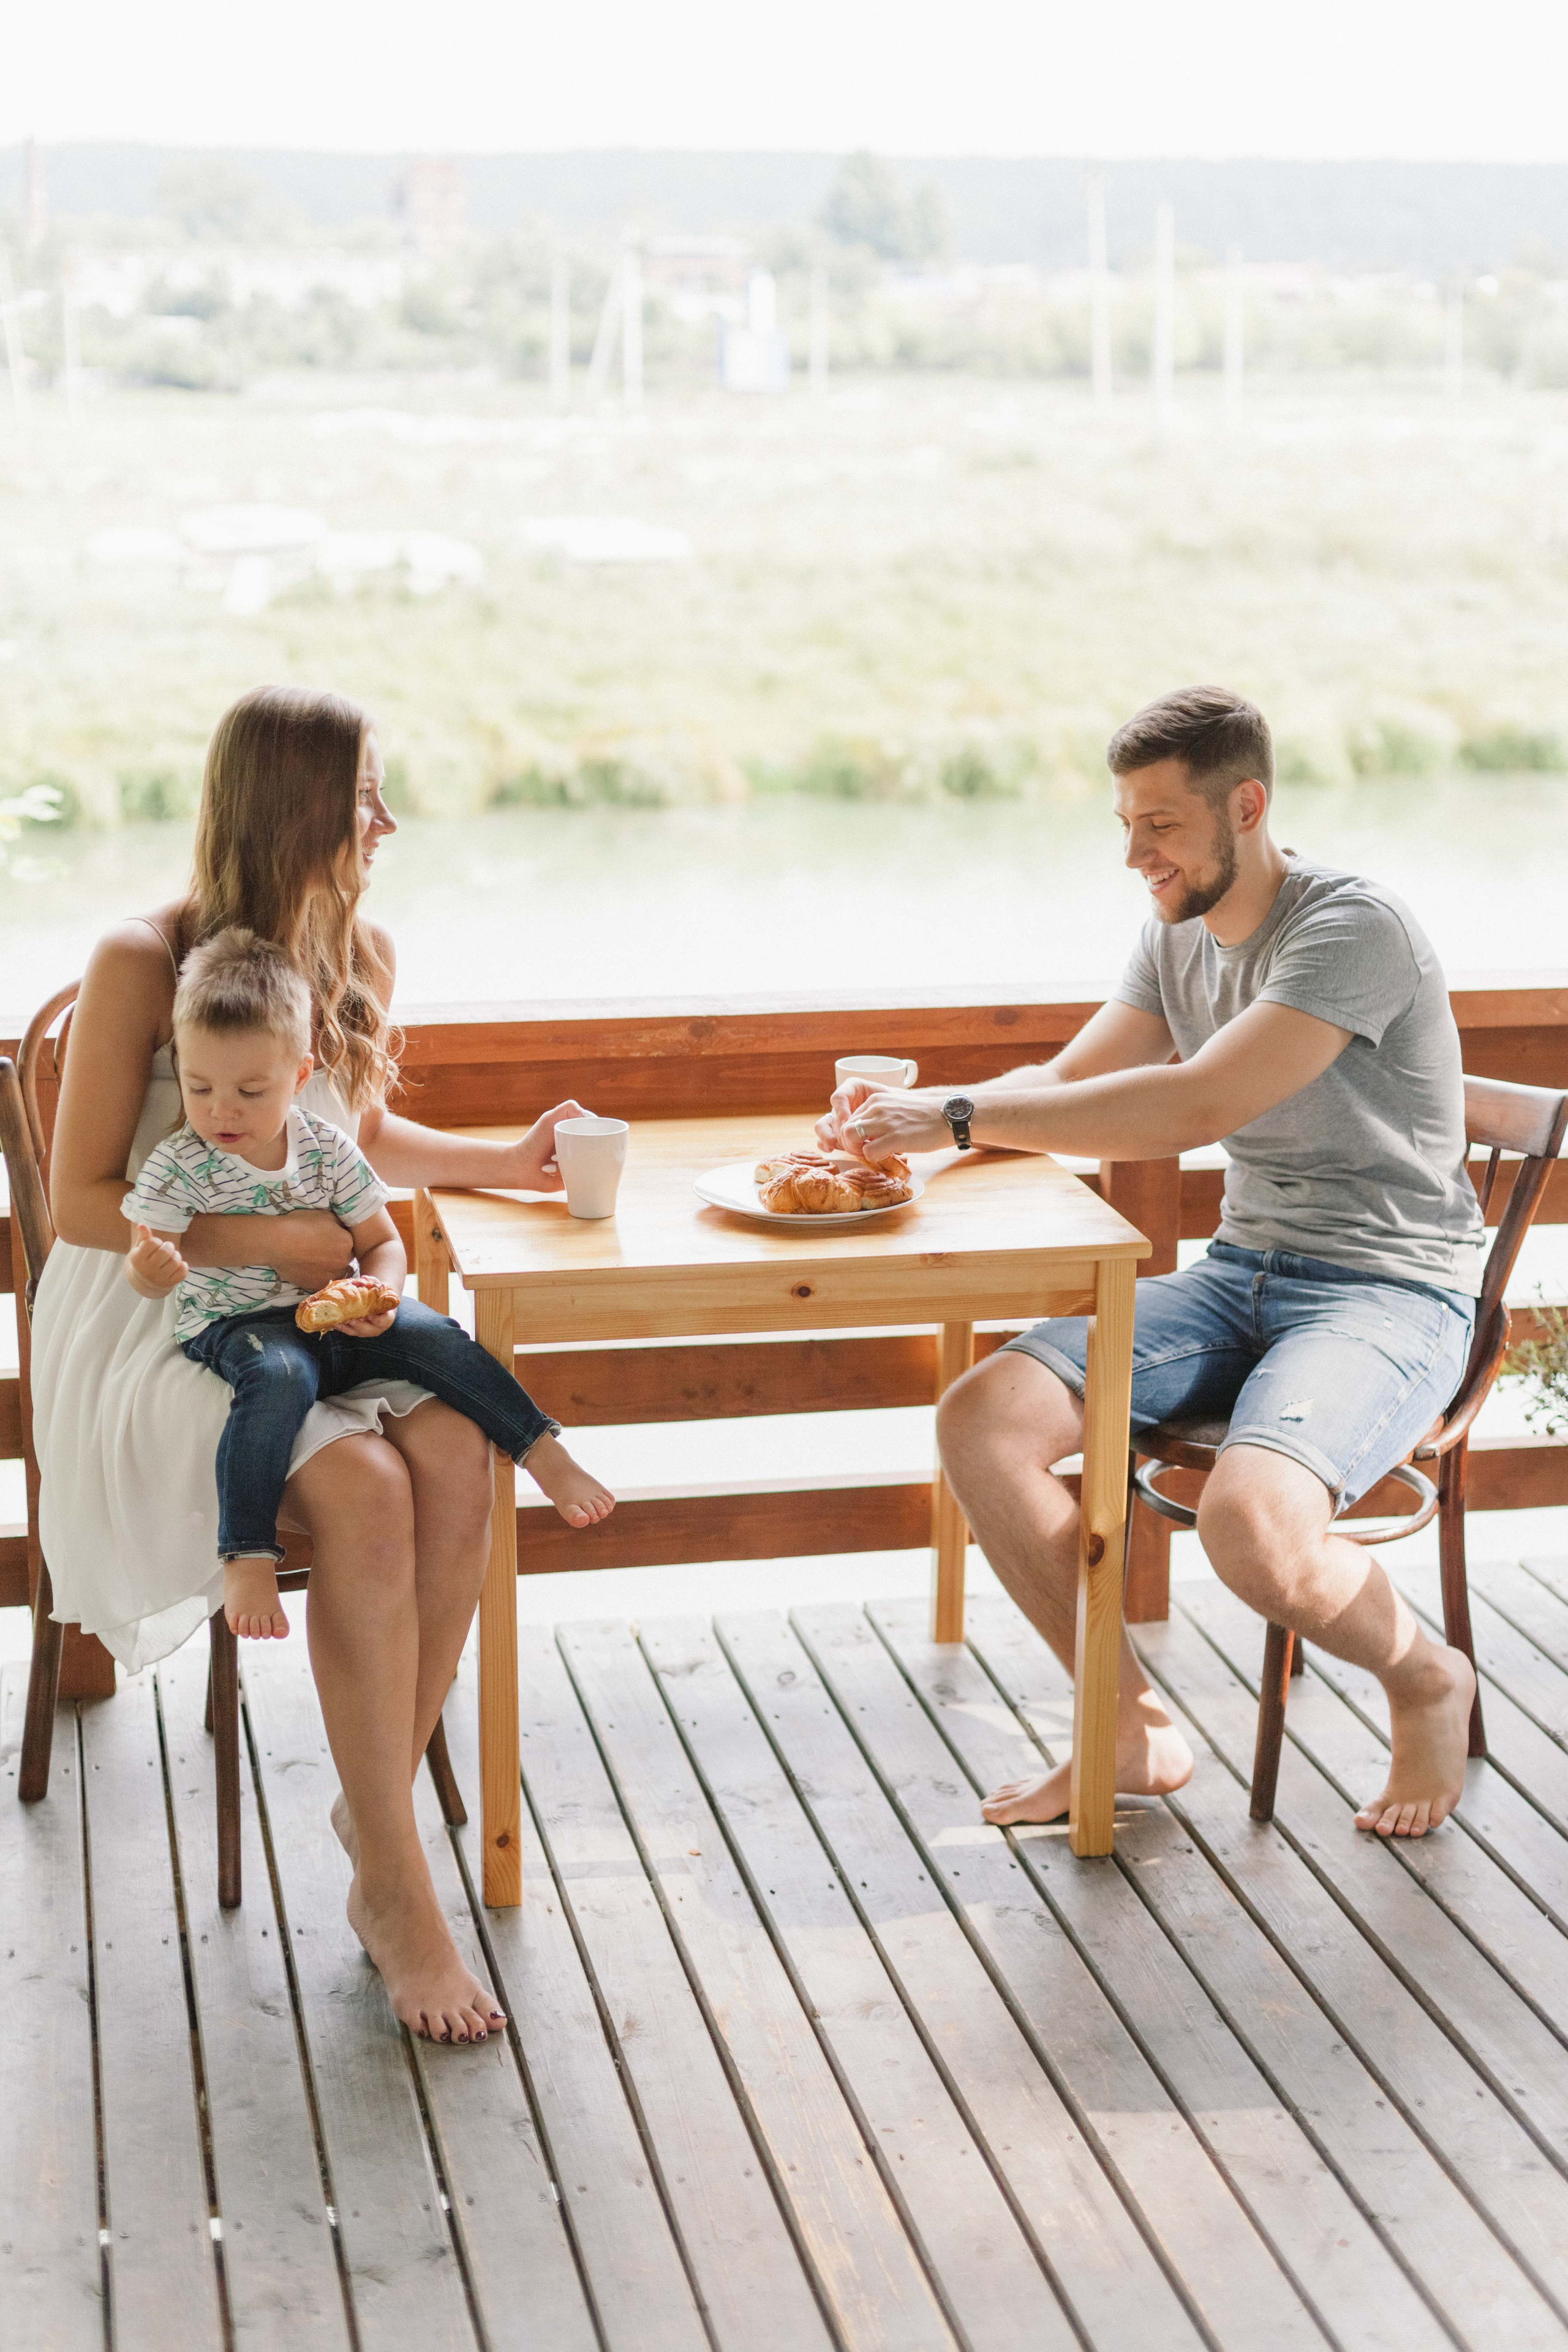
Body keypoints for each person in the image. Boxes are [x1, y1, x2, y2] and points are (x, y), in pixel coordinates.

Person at [819, 685, 1483, 1842]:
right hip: (1242, 1276)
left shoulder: (1349, 928)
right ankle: (1120, 1725)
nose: (1134, 854)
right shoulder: (1175, 932)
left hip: (1389, 1289)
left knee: (1251, 1528)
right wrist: (900, 1139)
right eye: (1125, 823)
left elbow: (1198, 1101)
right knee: (983, 1417)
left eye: (1160, 825)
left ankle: (1426, 1675)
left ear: (1248, 806)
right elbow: (1068, 1088)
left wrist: (961, 1115)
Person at [33, 682, 598, 2043]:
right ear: (292, 806)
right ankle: (398, 1892)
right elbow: (79, 1201)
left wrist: (499, 1163)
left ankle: (375, 1793)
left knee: (456, 1446)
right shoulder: (139, 963)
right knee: (361, 1491)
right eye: (364, 798)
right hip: (158, 1307)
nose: (386, 823)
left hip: (314, 1292)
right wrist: (270, 1246)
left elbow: (350, 1141)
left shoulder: (362, 952)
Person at [123, 925, 613, 1643]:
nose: (221, 1110)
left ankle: (542, 1449)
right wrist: (150, 1269)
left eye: (249, 1090)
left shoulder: (327, 1148)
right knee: (278, 1378)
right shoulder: (180, 1163)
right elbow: (146, 1256)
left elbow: (382, 1242)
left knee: (437, 1337)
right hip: (234, 1325)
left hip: (332, 1316)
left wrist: (383, 1296)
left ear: (299, 1076)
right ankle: (247, 1552)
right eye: (199, 1087)